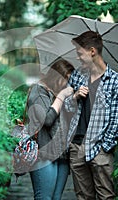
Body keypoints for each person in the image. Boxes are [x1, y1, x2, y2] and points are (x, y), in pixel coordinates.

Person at [66, 31, 118, 199]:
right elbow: (64, 107)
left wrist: (105, 148)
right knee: (83, 196)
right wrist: (74, 97)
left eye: (79, 53)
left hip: (100, 150)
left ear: (92, 51)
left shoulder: (116, 81)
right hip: (77, 146)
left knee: (106, 196)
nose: (77, 58)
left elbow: (116, 120)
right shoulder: (77, 75)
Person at [26, 58, 75, 200]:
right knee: (44, 197)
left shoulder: (57, 92)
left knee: (56, 197)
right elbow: (46, 120)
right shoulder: (38, 91)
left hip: (62, 153)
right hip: (44, 154)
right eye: (65, 79)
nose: (67, 84)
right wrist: (61, 96)